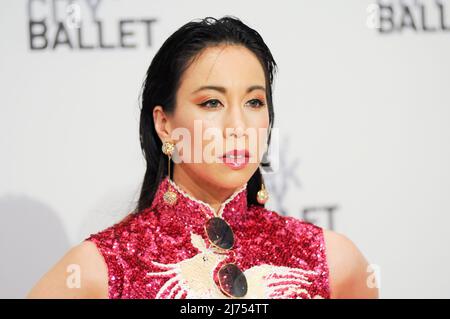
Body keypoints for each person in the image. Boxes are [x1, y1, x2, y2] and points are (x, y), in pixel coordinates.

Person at [27, 16, 378, 299]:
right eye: (212, 103)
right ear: (164, 124)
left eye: (254, 102)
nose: (238, 126)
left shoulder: (335, 263)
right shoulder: (98, 272)